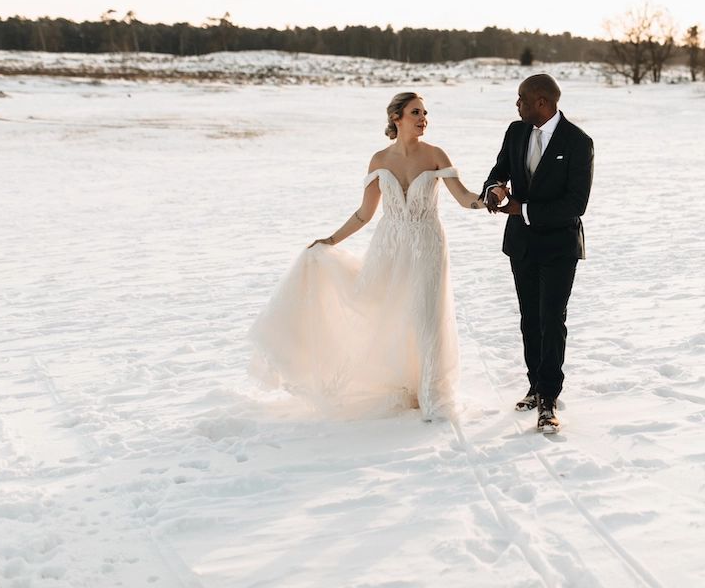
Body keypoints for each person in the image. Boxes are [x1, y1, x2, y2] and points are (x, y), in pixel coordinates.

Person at [247, 92, 486, 421]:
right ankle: (397, 382)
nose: (423, 118)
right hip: (388, 245)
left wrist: (491, 201)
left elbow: (464, 197)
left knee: (427, 315)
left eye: (425, 113)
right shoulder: (378, 160)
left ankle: (432, 393)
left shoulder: (435, 155)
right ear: (396, 118)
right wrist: (329, 240)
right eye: (416, 112)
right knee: (381, 308)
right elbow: (364, 214)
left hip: (428, 245)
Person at [483, 74, 593, 434]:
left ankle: (548, 398)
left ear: (542, 103)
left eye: (522, 99)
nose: (517, 105)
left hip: (560, 247)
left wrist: (522, 209)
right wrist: (494, 191)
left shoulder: (578, 142)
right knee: (529, 317)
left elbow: (576, 204)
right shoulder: (516, 132)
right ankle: (534, 384)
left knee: (551, 318)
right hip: (522, 245)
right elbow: (499, 172)